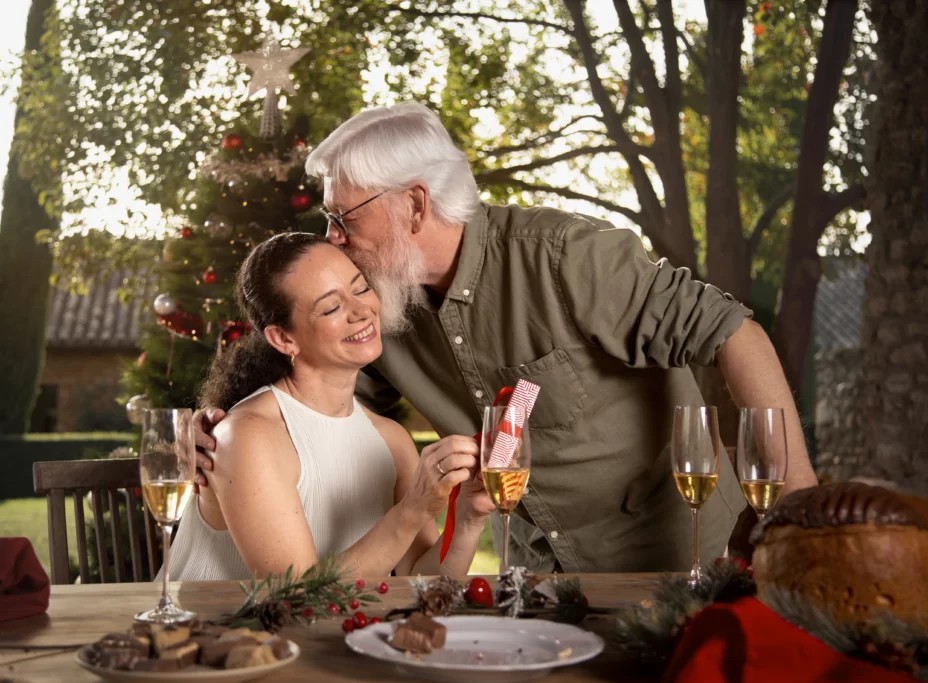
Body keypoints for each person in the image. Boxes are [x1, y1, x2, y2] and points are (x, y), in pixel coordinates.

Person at [195, 102, 818, 574]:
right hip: (534, 576)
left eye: (342, 216)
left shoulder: (568, 256)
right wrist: (223, 431)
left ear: (414, 204)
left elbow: (735, 332)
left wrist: (800, 515)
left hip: (671, 560)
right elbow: (323, 408)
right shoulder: (378, 306)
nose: (332, 236)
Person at [167, 231, 494, 581]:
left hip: (330, 635)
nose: (361, 311)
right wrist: (412, 510)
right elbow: (294, 597)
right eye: (332, 307)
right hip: (207, 632)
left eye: (360, 288)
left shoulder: (390, 440)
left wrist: (468, 520)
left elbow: (421, 580)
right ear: (283, 338)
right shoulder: (248, 435)